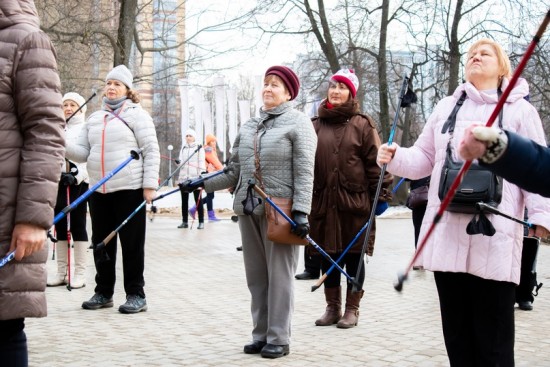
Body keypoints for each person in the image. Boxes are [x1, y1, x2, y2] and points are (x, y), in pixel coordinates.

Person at [377, 39, 550, 366]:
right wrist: (395, 156)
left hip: (494, 234)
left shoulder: (520, 110)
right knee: (458, 338)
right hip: (447, 236)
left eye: (485, 53)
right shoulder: (445, 107)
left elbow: (536, 165)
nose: (476, 56)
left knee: (494, 342)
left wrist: (542, 216)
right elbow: (424, 158)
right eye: (472, 53)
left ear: (502, 67)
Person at [192, 65, 316, 358]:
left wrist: (301, 211)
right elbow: (234, 171)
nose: (268, 89)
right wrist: (200, 183)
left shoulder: (298, 123)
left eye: (275, 85)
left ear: (288, 92)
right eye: (266, 83)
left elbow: (306, 171)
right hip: (249, 210)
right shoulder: (249, 126)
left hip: (281, 211)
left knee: (280, 278)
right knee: (257, 278)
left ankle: (279, 337)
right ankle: (261, 334)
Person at [0, 1, 66, 364]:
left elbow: (46, 133)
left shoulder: (26, 39)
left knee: (4, 325)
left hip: (6, 217)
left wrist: (33, 219)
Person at [66, 64, 160, 314]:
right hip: (99, 191)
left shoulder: (138, 115)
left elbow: (151, 150)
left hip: (129, 189)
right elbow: (83, 153)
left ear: (127, 90)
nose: (111, 87)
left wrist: (150, 186)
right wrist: (60, 142)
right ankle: (103, 292)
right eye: (108, 83)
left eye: (117, 84)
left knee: (132, 245)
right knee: (101, 243)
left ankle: (136, 294)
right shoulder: (95, 118)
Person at [308, 69, 393, 329]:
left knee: (354, 256)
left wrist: (382, 195)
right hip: (322, 202)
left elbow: (376, 163)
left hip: (354, 204)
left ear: (351, 93)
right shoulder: (315, 125)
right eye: (333, 86)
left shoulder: (362, 124)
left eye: (342, 87)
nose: (336, 91)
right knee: (328, 255)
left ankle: (352, 309)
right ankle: (332, 308)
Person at [47, 93, 90, 289]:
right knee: (60, 226)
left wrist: (76, 175)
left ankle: (79, 273)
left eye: (73, 105)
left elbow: (89, 157)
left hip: (78, 183)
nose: (69, 108)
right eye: (65, 104)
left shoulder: (85, 128)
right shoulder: (57, 128)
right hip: (58, 182)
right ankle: (61, 272)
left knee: (78, 225)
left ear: (81, 109)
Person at [459, 125, 550, 198]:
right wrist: (497, 147)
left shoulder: (522, 108)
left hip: (503, 206)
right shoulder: (447, 104)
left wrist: (540, 216)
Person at [189, 134, 223, 222]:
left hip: (210, 174)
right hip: (209, 175)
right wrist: (223, 170)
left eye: (215, 141)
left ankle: (194, 209)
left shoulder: (210, 150)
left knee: (210, 195)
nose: (214, 143)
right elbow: (215, 162)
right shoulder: (208, 149)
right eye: (212, 141)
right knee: (210, 195)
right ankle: (210, 215)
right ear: (208, 142)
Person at [177, 129, 205, 229]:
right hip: (184, 178)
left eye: (190, 136)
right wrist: (178, 162)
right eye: (187, 136)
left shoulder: (199, 147)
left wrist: (202, 174)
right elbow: (181, 162)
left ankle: (201, 222)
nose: (188, 137)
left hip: (195, 178)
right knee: (184, 201)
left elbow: (201, 161)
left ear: (194, 137)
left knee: (198, 200)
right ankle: (184, 222)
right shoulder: (183, 148)